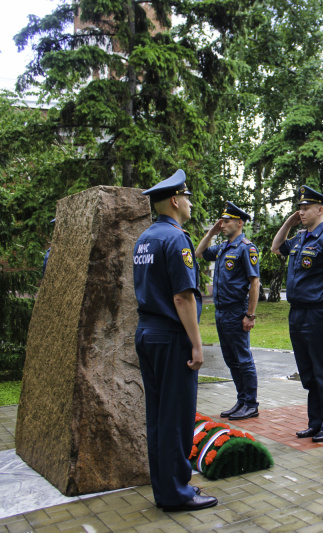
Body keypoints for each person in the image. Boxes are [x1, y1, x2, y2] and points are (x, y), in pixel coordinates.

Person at [133, 169, 217, 511]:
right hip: (171, 338)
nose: (190, 202)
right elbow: (183, 298)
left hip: (148, 334)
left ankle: (168, 486)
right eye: (187, 196)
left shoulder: (145, 239)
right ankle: (175, 493)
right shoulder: (176, 239)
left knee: (158, 416)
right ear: (174, 200)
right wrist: (196, 344)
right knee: (176, 415)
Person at [271, 186, 323, 442]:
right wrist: (289, 222)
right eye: (299, 208)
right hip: (297, 314)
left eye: (305, 208)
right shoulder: (301, 237)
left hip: (318, 313)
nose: (301, 212)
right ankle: (315, 423)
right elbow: (276, 247)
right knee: (308, 373)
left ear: (320, 209)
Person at [196, 202, 261, 420]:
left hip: (236, 311)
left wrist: (250, 314)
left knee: (243, 358)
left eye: (227, 221)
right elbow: (199, 253)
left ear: (239, 223)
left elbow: (255, 283)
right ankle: (241, 400)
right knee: (231, 359)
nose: (222, 224)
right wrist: (212, 232)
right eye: (222, 221)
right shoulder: (224, 247)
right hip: (221, 311)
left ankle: (251, 403)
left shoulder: (246, 248)